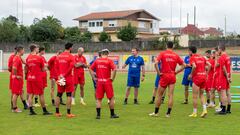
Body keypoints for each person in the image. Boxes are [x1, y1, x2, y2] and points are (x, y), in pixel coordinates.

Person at [149, 41, 185, 118]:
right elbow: (184, 65)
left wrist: (158, 72)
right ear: (173, 46)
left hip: (164, 75)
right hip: (172, 76)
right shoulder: (176, 55)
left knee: (159, 95)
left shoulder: (163, 53)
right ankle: (168, 114)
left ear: (166, 46)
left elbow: (155, 63)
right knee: (170, 95)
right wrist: (176, 72)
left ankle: (156, 112)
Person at [89, 49, 119, 119]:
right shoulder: (109, 61)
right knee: (111, 98)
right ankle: (112, 114)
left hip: (99, 81)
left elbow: (90, 68)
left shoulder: (97, 61)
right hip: (107, 81)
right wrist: (112, 78)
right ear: (107, 54)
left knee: (99, 99)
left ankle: (98, 115)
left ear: (101, 54)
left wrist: (93, 77)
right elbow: (114, 69)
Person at [26, 44, 52, 115]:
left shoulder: (28, 58)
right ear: (35, 49)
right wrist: (47, 68)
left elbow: (26, 68)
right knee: (41, 94)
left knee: (31, 94)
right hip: (37, 78)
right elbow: (43, 69)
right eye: (37, 48)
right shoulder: (39, 58)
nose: (38, 49)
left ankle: (31, 111)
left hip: (30, 78)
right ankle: (44, 110)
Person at [188, 46, 211, 118]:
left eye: (188, 51)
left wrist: (191, 74)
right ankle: (204, 110)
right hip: (204, 77)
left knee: (194, 96)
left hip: (197, 78)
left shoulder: (192, 57)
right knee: (201, 95)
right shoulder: (202, 57)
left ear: (191, 51)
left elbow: (194, 66)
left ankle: (194, 113)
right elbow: (209, 65)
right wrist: (206, 74)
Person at [55, 43, 75, 118]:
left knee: (59, 94)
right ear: (70, 48)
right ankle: (68, 113)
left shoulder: (59, 56)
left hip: (60, 78)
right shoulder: (71, 56)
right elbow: (71, 67)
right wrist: (64, 75)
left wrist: (59, 75)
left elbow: (56, 67)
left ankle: (57, 112)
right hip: (68, 78)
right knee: (69, 95)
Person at [216, 45, 232, 115]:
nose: (217, 51)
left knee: (223, 93)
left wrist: (226, 77)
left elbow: (223, 68)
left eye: (218, 49)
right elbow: (230, 67)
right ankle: (228, 109)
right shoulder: (228, 57)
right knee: (228, 92)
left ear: (220, 49)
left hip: (223, 76)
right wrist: (229, 76)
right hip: (228, 75)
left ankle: (223, 110)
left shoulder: (222, 57)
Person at [11, 46, 25, 113]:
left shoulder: (17, 57)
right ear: (20, 50)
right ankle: (14, 108)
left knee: (17, 93)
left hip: (17, 79)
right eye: (23, 50)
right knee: (16, 94)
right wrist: (16, 76)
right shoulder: (17, 58)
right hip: (17, 79)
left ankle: (14, 108)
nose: (24, 51)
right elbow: (14, 68)